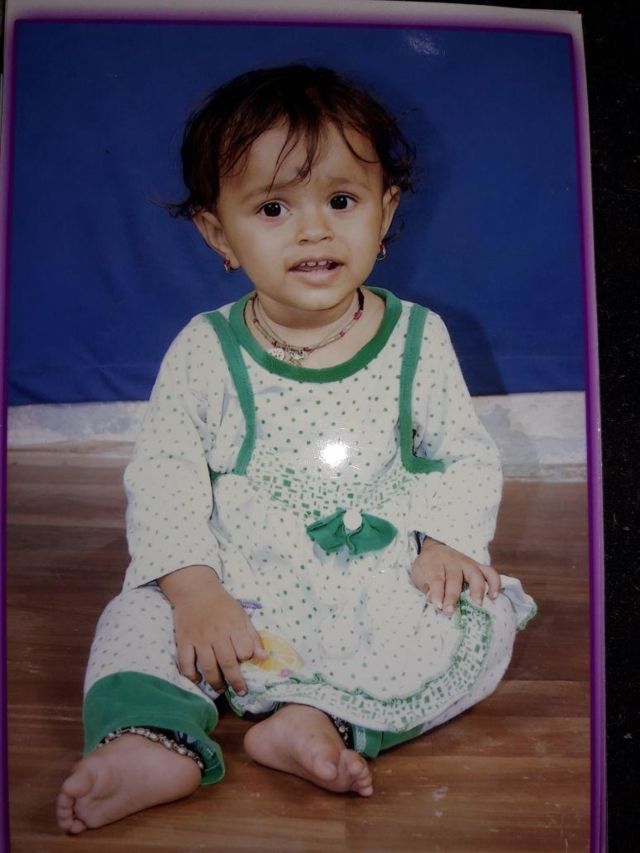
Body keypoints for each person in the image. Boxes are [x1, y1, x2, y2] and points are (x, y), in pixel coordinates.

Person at [56, 64, 536, 834]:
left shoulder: (418, 339)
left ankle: (320, 719)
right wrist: (194, 590)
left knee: (478, 617)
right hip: (234, 588)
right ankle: (147, 738)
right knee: (135, 615)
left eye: (341, 201)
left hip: (370, 587)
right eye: (274, 207)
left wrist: (445, 541)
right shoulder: (205, 350)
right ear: (219, 233)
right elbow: (166, 474)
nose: (314, 230)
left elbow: (464, 454)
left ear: (385, 211)